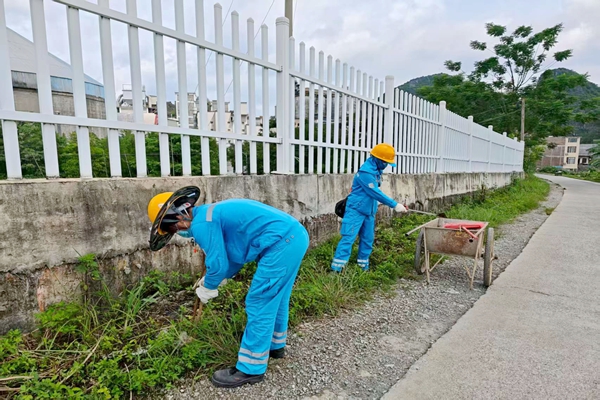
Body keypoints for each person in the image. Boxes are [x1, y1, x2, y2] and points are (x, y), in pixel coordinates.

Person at [147, 187, 309, 388]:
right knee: (277, 297)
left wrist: (209, 286)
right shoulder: (208, 215)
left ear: (178, 215)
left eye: (172, 228)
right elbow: (232, 258)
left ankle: (251, 368)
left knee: (259, 301)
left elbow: (217, 264)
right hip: (292, 237)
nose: (177, 232)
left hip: (282, 243)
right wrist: (214, 279)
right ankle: (274, 346)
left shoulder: (201, 223)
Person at [331, 143, 407, 272]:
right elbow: (375, 193)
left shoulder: (376, 171)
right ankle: (337, 269)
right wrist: (395, 205)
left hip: (369, 211)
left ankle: (363, 267)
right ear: (377, 159)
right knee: (348, 238)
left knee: (367, 240)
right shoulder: (365, 173)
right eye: (385, 162)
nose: (386, 165)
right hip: (356, 210)